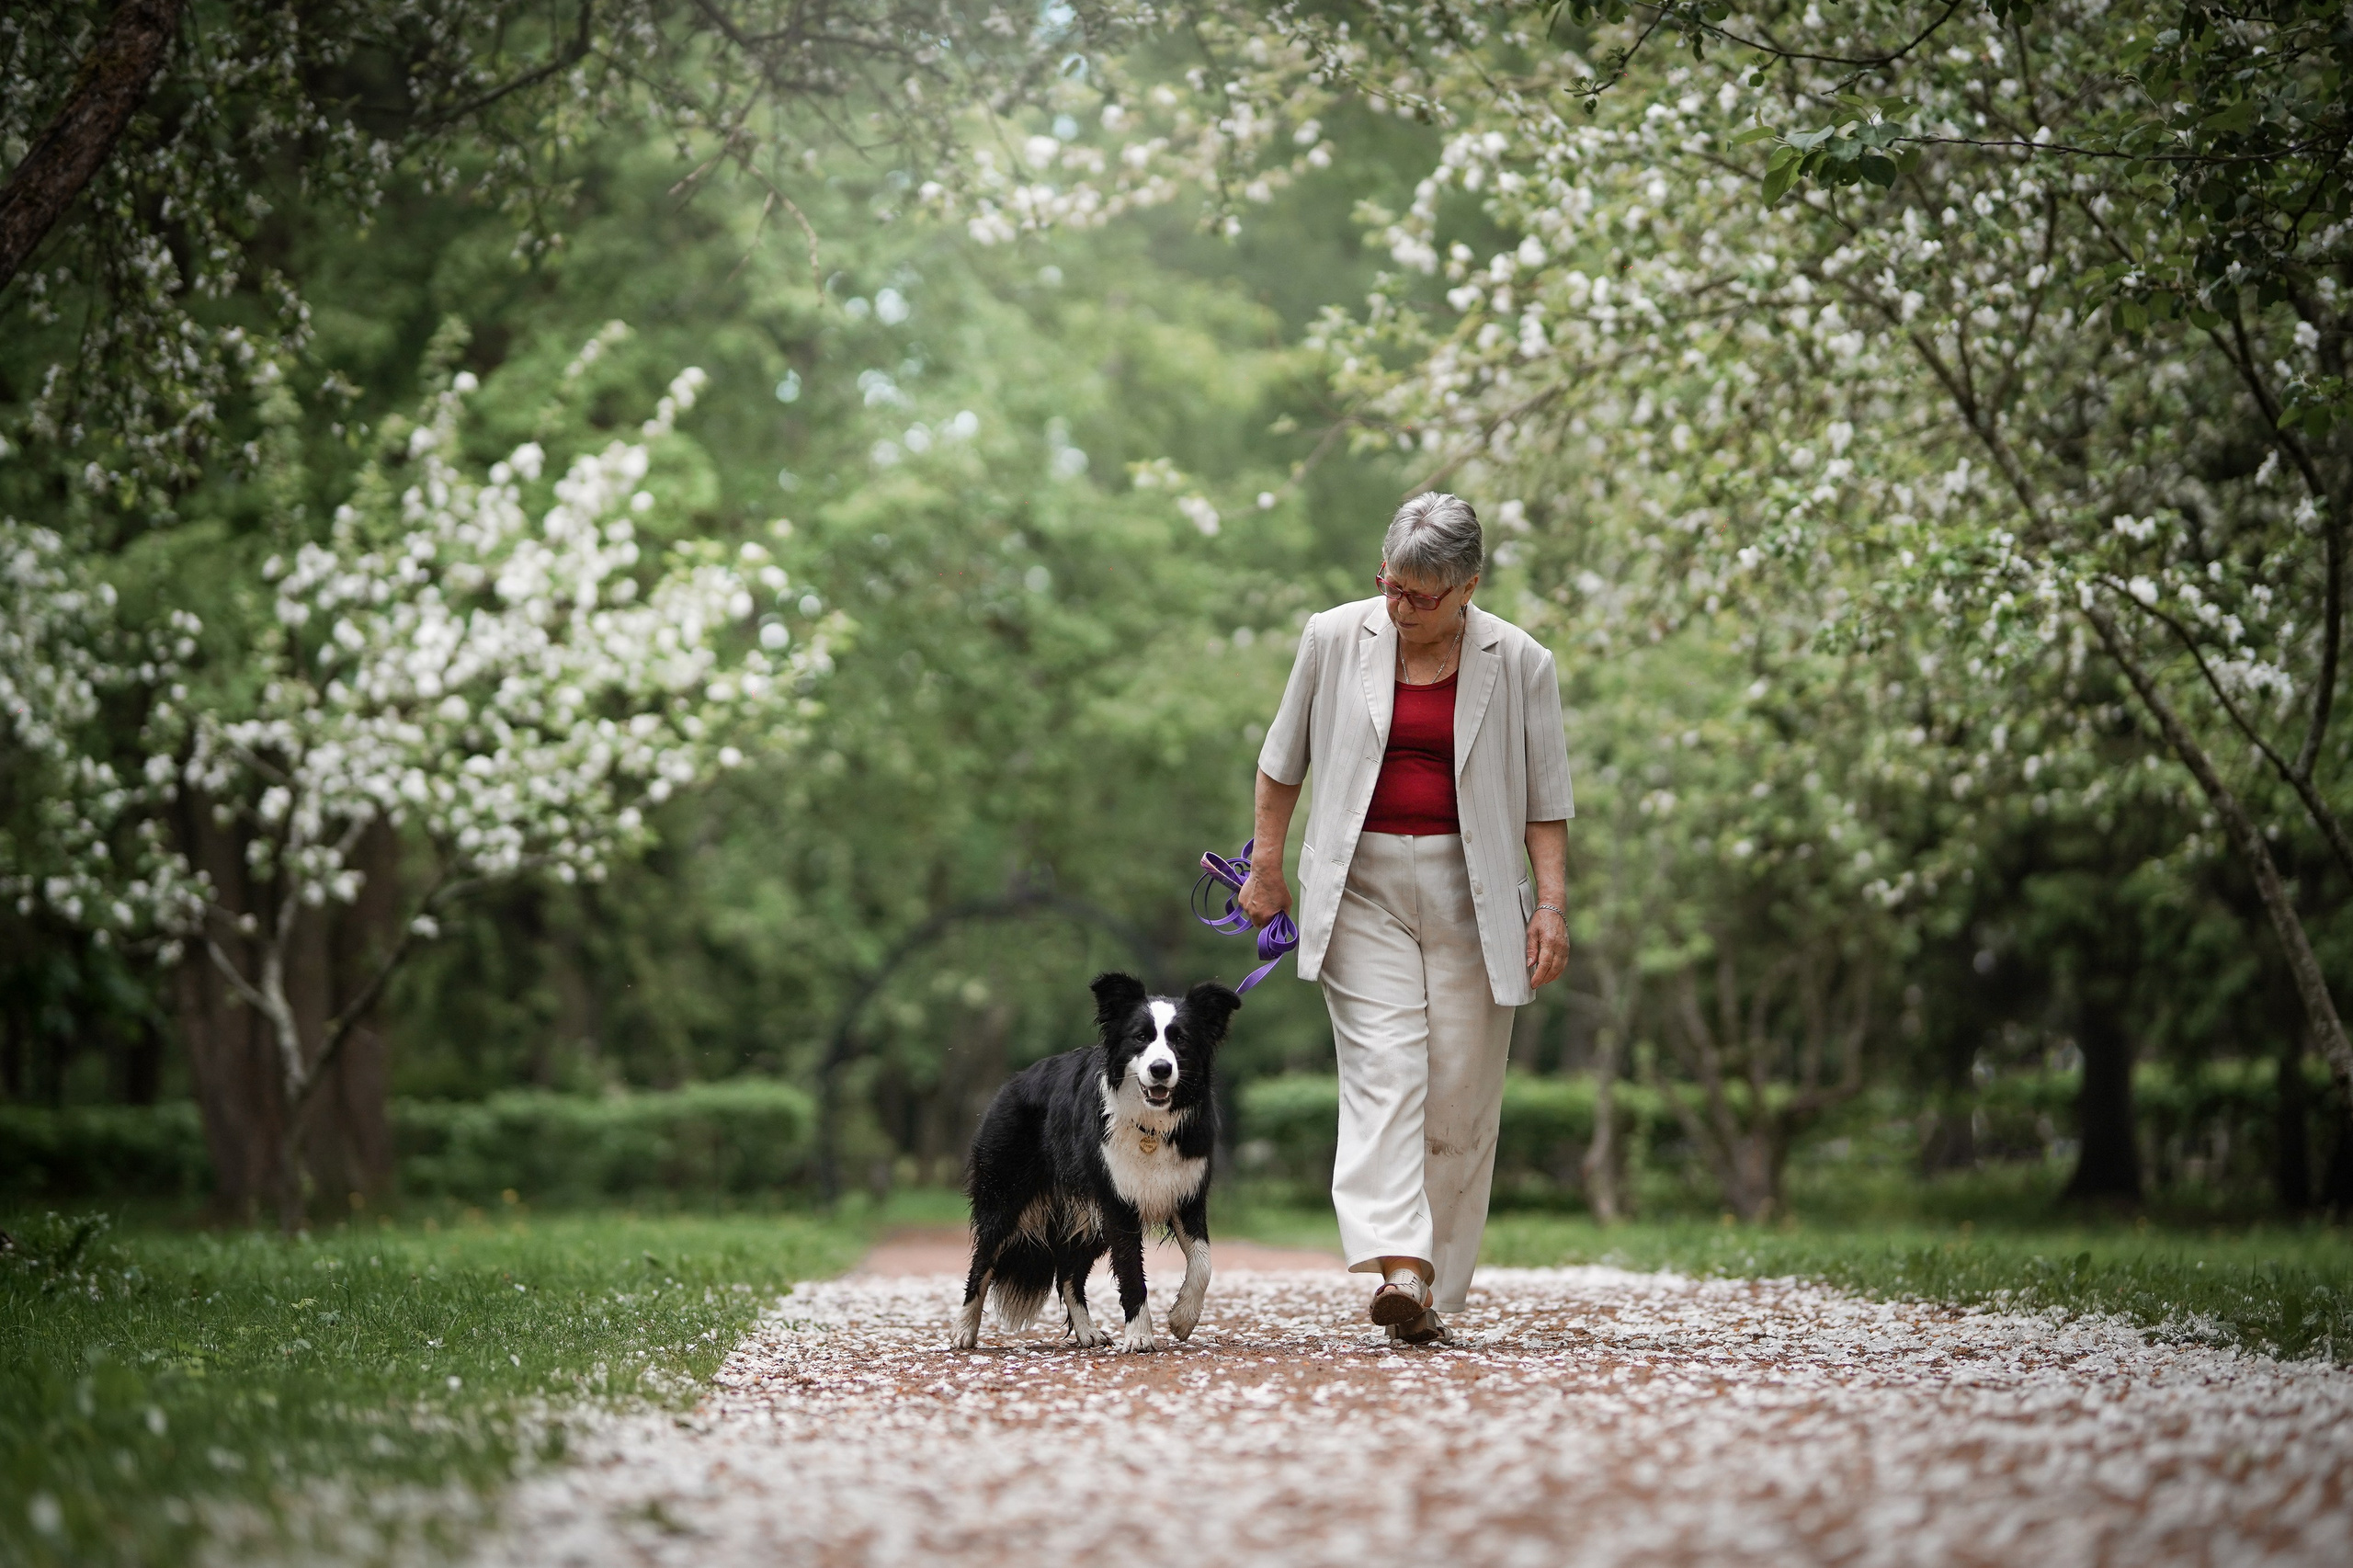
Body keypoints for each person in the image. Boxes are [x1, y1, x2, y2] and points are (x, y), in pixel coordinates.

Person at [1238, 493, 1573, 1345]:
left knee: (1460, 1088)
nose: (1401, 609)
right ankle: (1399, 1268)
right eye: (1391, 587)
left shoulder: (1522, 660)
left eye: (1422, 598)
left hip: (1477, 890)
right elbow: (1282, 764)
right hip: (1361, 885)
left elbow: (1546, 802)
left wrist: (1554, 907)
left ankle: (1434, 1288)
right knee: (1386, 1070)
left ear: (1468, 587)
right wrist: (1268, 867)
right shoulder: (1331, 637)